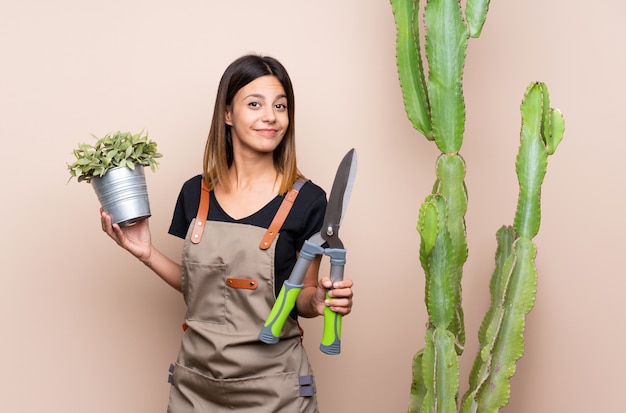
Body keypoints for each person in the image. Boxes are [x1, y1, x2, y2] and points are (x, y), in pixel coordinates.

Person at [100, 54, 354, 412]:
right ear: (228, 114)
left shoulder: (308, 199)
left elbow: (304, 293)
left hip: (275, 388)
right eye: (255, 104)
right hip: (195, 387)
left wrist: (318, 303)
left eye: (280, 106)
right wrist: (146, 252)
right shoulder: (195, 193)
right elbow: (199, 285)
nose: (271, 116)